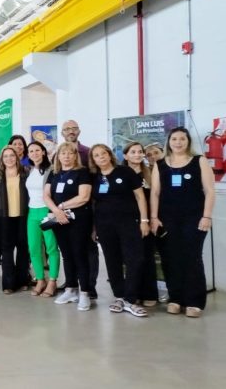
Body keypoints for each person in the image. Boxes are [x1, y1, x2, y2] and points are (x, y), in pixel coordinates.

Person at [151, 127, 215, 318]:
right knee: (170, 258)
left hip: (194, 218)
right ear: (169, 142)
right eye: (174, 139)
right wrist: (154, 217)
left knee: (192, 257)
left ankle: (194, 301)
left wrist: (207, 216)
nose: (178, 142)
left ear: (188, 142)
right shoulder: (160, 164)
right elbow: (155, 192)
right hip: (166, 218)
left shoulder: (199, 161)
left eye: (182, 139)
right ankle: (176, 298)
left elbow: (209, 191)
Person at [89, 144, 149, 318]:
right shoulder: (95, 178)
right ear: (93, 160)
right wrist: (94, 228)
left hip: (128, 223)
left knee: (135, 259)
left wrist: (144, 220)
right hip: (105, 225)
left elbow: (139, 196)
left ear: (110, 155)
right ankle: (119, 297)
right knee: (112, 260)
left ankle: (131, 299)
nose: (101, 157)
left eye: (103, 153)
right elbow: (93, 204)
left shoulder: (125, 172)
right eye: (96, 155)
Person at [44, 142, 93, 311]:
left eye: (70, 153)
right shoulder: (55, 173)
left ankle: (85, 292)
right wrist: (56, 211)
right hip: (59, 220)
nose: (66, 156)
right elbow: (46, 195)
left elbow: (84, 197)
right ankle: (70, 289)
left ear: (75, 156)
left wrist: (61, 207)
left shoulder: (82, 172)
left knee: (80, 254)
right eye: (63, 153)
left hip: (79, 219)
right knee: (67, 255)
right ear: (58, 156)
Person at [0, 147, 31, 294]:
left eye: (12, 156)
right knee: (6, 250)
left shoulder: (25, 173)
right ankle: (8, 284)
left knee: (23, 249)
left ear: (17, 157)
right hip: (3, 217)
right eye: (5, 156)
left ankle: (23, 280)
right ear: (2, 159)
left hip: (23, 216)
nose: (9, 159)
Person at [61, 119, 97, 297]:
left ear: (79, 131)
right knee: (69, 250)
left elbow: (95, 181)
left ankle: (89, 286)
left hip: (85, 209)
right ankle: (71, 283)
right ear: (62, 133)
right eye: (67, 129)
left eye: (74, 128)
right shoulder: (58, 154)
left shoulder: (88, 152)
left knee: (88, 249)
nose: (71, 131)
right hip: (64, 213)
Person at [123, 142, 158, 306]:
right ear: (126, 155)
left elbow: (156, 197)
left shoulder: (150, 173)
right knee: (132, 259)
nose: (137, 154)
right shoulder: (120, 173)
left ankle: (150, 294)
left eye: (140, 152)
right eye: (133, 152)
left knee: (147, 257)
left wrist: (151, 219)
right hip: (127, 221)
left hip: (146, 220)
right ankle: (132, 293)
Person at [25, 142, 59, 297]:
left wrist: (54, 211)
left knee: (51, 247)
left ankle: (52, 281)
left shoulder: (51, 170)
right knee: (33, 248)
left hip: (47, 211)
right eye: (31, 151)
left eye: (37, 150)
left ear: (44, 152)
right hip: (32, 212)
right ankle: (40, 279)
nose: (34, 153)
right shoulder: (30, 170)